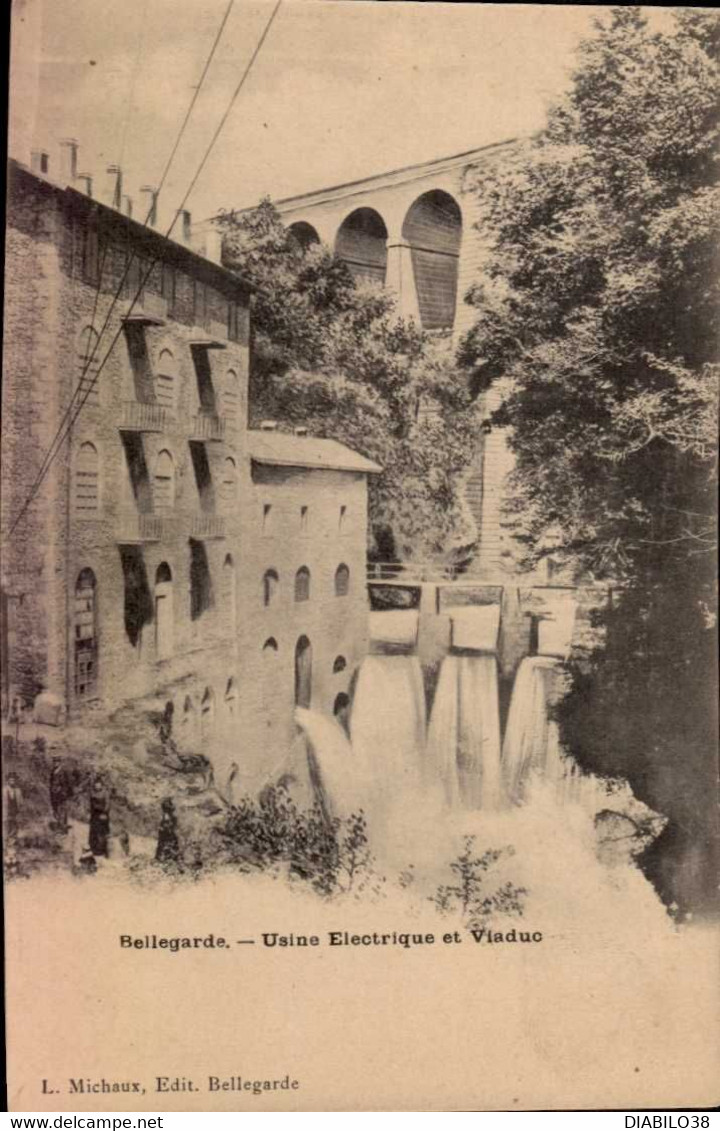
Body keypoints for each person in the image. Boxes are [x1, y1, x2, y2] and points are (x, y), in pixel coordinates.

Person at [88, 776, 110, 858]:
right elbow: (91, 805)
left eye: (98, 784)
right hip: (94, 815)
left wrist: (104, 813)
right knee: (93, 831)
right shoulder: (92, 793)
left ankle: (102, 850)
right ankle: (94, 849)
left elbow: (107, 804)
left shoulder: (105, 793)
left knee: (102, 832)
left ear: (101, 785)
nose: (97, 786)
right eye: (96, 785)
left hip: (102, 814)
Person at [49, 757, 72, 833]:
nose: (55, 763)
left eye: (57, 762)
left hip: (62, 794)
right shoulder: (52, 771)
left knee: (62, 810)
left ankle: (63, 829)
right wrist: (51, 791)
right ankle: (60, 826)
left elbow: (68, 783)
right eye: (54, 762)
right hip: (54, 794)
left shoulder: (64, 771)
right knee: (56, 810)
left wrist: (65, 792)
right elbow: (51, 782)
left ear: (60, 763)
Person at [155, 798, 180, 866]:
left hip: (167, 834)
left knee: (165, 847)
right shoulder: (169, 817)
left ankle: (166, 860)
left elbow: (170, 826)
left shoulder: (169, 817)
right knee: (166, 847)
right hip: (167, 834)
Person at [4, 773, 22, 840]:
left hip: (15, 810)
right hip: (7, 810)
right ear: (8, 781)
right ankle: (7, 838)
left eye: (13, 780)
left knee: (15, 823)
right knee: (7, 824)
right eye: (11, 780)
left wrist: (19, 809)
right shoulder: (4, 790)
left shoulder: (18, 790)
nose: (12, 782)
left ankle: (14, 838)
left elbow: (20, 802)